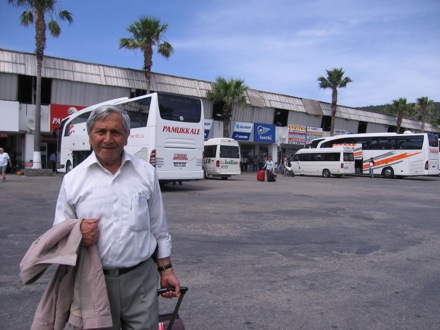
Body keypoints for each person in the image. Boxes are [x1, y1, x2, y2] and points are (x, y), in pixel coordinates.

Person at [53, 105, 180, 329]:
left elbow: (158, 228)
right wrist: (78, 233)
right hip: (93, 282)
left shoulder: (146, 173)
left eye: (116, 132)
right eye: (101, 132)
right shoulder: (73, 180)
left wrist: (166, 269)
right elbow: (59, 234)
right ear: (90, 135)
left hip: (140, 280)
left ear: (126, 137)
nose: (108, 139)